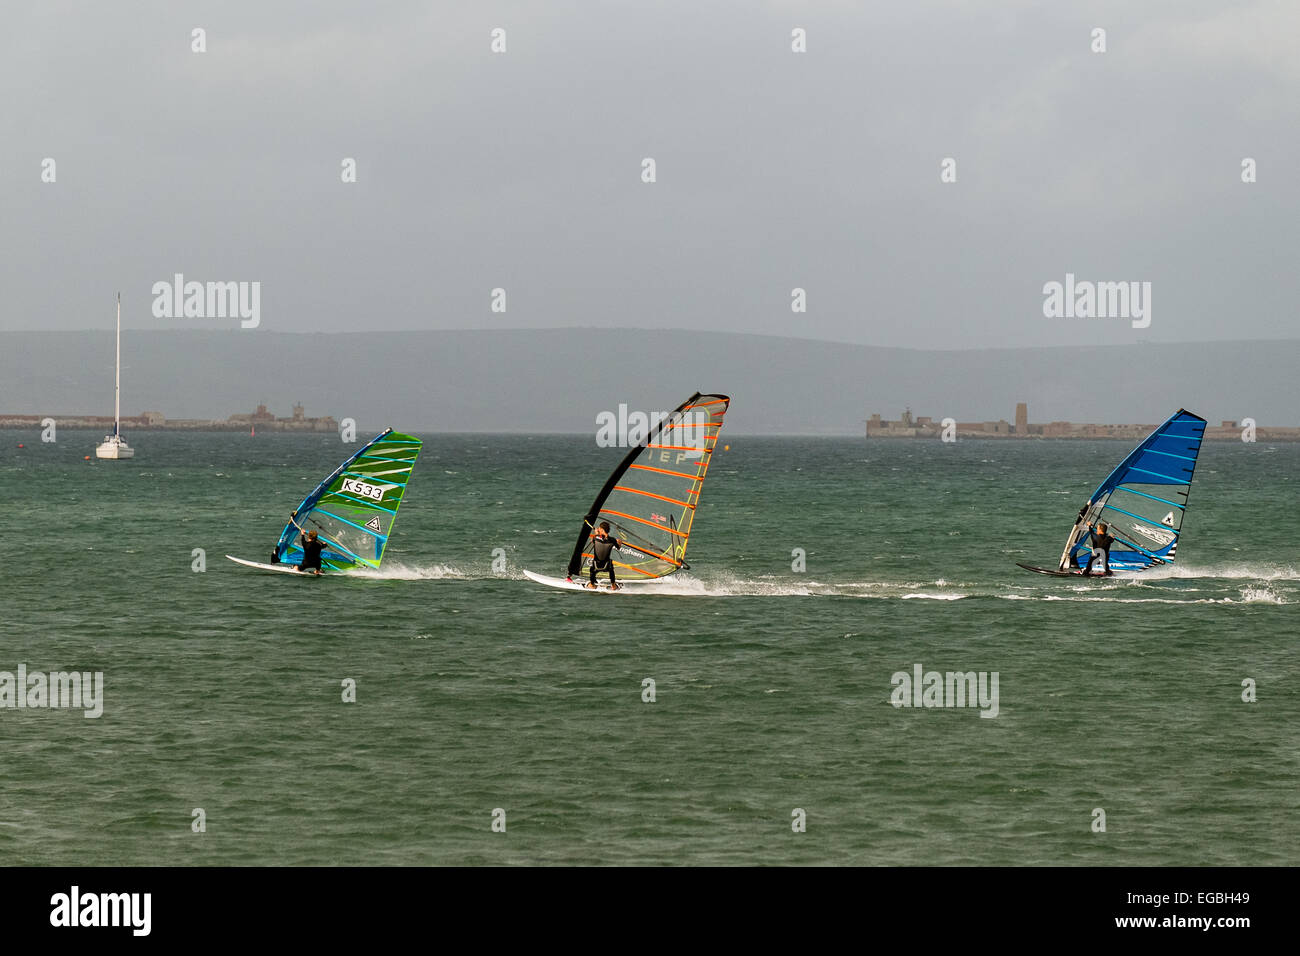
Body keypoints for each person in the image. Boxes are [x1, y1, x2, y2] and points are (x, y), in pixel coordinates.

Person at [586, 521, 622, 590]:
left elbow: (592, 541)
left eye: (599, 528)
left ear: (602, 530)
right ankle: (613, 586)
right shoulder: (612, 540)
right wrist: (620, 542)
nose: (598, 529)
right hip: (606, 566)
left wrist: (596, 534)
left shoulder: (595, 538)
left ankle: (592, 584)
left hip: (596, 565)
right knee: (611, 568)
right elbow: (618, 547)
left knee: (592, 569)